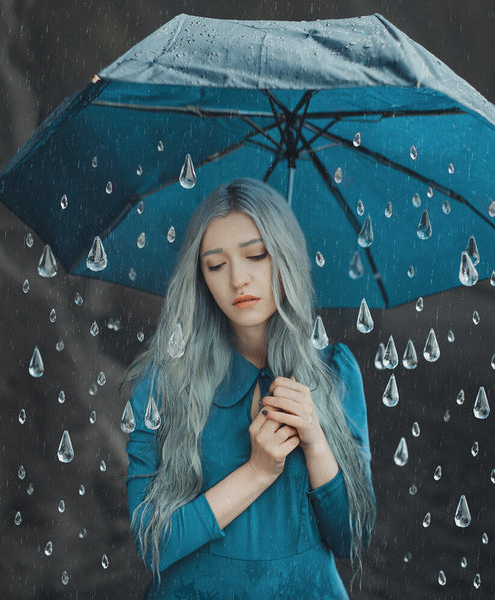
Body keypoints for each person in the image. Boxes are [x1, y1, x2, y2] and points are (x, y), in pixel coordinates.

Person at [124, 178, 376, 599]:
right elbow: (153, 543)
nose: (239, 279)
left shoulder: (336, 373)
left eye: (257, 255)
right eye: (216, 265)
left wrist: (314, 438)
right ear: (200, 278)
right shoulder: (163, 384)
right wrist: (256, 473)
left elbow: (353, 537)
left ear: (286, 258)